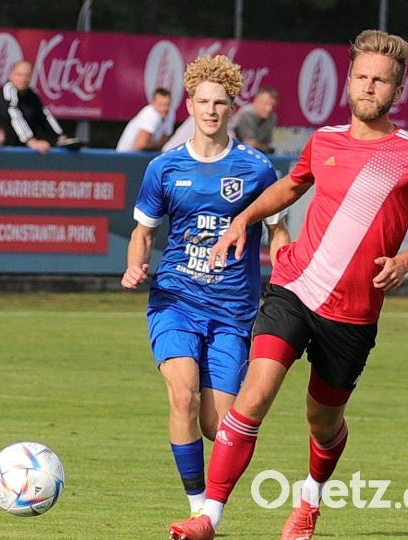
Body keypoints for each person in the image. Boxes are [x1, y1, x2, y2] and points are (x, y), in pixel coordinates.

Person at [169, 30, 408, 540]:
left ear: (398, 91)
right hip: (295, 288)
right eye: (363, 77)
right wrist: (245, 218)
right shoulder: (323, 140)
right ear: (349, 80)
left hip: (352, 315)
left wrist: (407, 260)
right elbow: (290, 185)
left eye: (381, 81)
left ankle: (308, 503)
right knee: (254, 395)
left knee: (322, 422)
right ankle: (207, 517)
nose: (369, 87)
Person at [122, 55, 289, 520]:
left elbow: (277, 232)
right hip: (175, 299)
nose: (211, 110)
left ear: (232, 107)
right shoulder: (164, 168)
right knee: (182, 395)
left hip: (233, 311)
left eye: (220, 103)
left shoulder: (257, 170)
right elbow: (143, 233)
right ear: (190, 106)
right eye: (202, 101)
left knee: (220, 427)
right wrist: (135, 266)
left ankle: (209, 499)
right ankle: (201, 512)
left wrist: (287, 273)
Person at [0, 61, 66, 154]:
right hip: (5, 150)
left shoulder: (32, 95)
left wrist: (60, 136)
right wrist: (30, 141)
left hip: (24, 151)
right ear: (10, 75)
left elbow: (44, 115)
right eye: (19, 74)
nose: (23, 79)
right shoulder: (7, 91)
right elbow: (14, 116)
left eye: (27, 75)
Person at [116, 88, 174, 152]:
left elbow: (165, 139)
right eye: (160, 104)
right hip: (125, 156)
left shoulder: (170, 113)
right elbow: (139, 145)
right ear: (153, 103)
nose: (164, 108)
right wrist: (157, 144)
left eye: (167, 104)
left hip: (142, 154)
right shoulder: (150, 114)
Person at [231, 87, 278, 154]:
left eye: (272, 105)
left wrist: (261, 146)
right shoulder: (247, 113)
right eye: (265, 104)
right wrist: (263, 147)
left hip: (255, 153)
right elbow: (249, 144)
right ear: (256, 102)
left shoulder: (272, 117)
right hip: (233, 152)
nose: (269, 109)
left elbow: (267, 145)